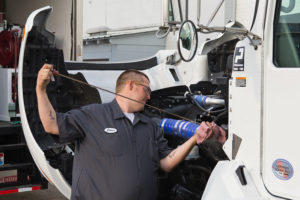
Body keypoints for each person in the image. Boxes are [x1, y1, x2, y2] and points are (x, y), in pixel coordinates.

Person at [36, 64, 224, 200]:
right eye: (146, 90)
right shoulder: (93, 115)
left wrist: (194, 138)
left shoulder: (149, 126)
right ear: (131, 85)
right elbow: (51, 125)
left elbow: (166, 163)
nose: (149, 96)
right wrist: (40, 89)